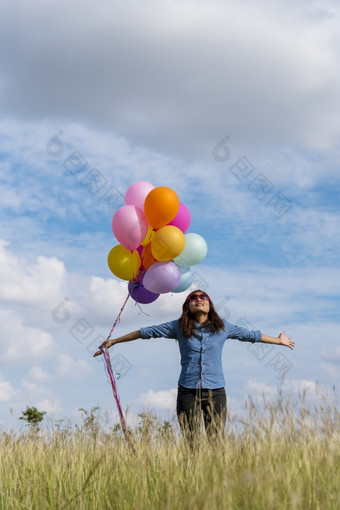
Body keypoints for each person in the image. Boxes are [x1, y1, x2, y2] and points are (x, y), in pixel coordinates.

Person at [93, 290, 295, 440]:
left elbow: (251, 336)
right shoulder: (177, 327)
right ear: (187, 306)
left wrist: (278, 341)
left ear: (209, 304)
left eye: (203, 297)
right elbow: (145, 332)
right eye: (193, 298)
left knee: (216, 441)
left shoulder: (223, 327)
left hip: (216, 391)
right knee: (192, 442)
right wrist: (114, 341)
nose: (199, 299)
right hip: (187, 392)